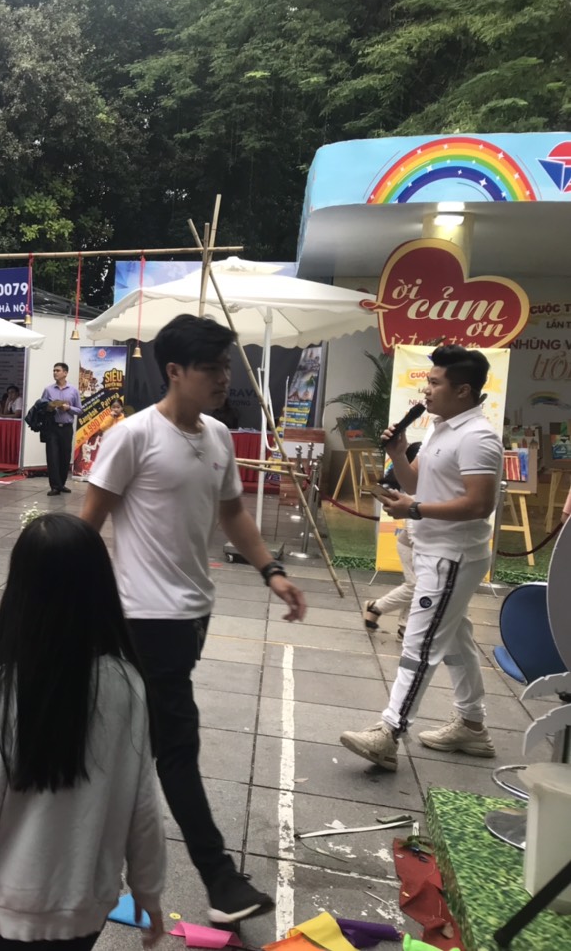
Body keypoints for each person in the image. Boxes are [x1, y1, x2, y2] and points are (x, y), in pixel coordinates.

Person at [81, 314, 306, 925]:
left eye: (226, 366)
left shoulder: (219, 436)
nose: (224, 377)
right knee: (177, 745)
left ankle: (65, 848)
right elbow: (87, 525)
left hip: (193, 615)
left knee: (129, 740)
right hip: (144, 618)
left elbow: (233, 514)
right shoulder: (132, 437)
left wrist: (271, 571)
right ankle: (220, 881)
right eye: (211, 368)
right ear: (174, 371)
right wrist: (63, 602)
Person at [0, 513, 165, 951]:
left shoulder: (9, 685)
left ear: (21, 594)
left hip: (12, 907)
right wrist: (148, 890)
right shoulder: (127, 684)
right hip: (87, 907)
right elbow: (143, 804)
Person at [341, 345, 503, 771]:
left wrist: (415, 509)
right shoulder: (440, 427)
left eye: (435, 383)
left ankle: (389, 732)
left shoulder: (478, 437)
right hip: (433, 549)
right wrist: (398, 453)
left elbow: (479, 504)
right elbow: (420, 485)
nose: (426, 390)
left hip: (452, 556)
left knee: (422, 642)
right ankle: (472, 725)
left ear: (463, 390)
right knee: (456, 641)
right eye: (428, 382)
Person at [362, 442, 423, 640]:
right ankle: (376, 607)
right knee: (416, 586)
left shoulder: (420, 485)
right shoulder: (413, 487)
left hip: (414, 545)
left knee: (416, 586)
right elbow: (413, 527)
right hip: (412, 545)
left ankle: (405, 627)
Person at [41, 363, 81, 496]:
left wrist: (68, 408)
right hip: (52, 427)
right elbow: (41, 407)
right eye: (54, 370)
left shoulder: (73, 390)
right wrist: (50, 407)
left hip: (66, 428)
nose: (55, 373)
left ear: (65, 373)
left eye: (57, 370)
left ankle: (61, 484)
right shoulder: (48, 390)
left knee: (65, 456)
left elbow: (80, 410)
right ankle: (54, 486)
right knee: (52, 457)